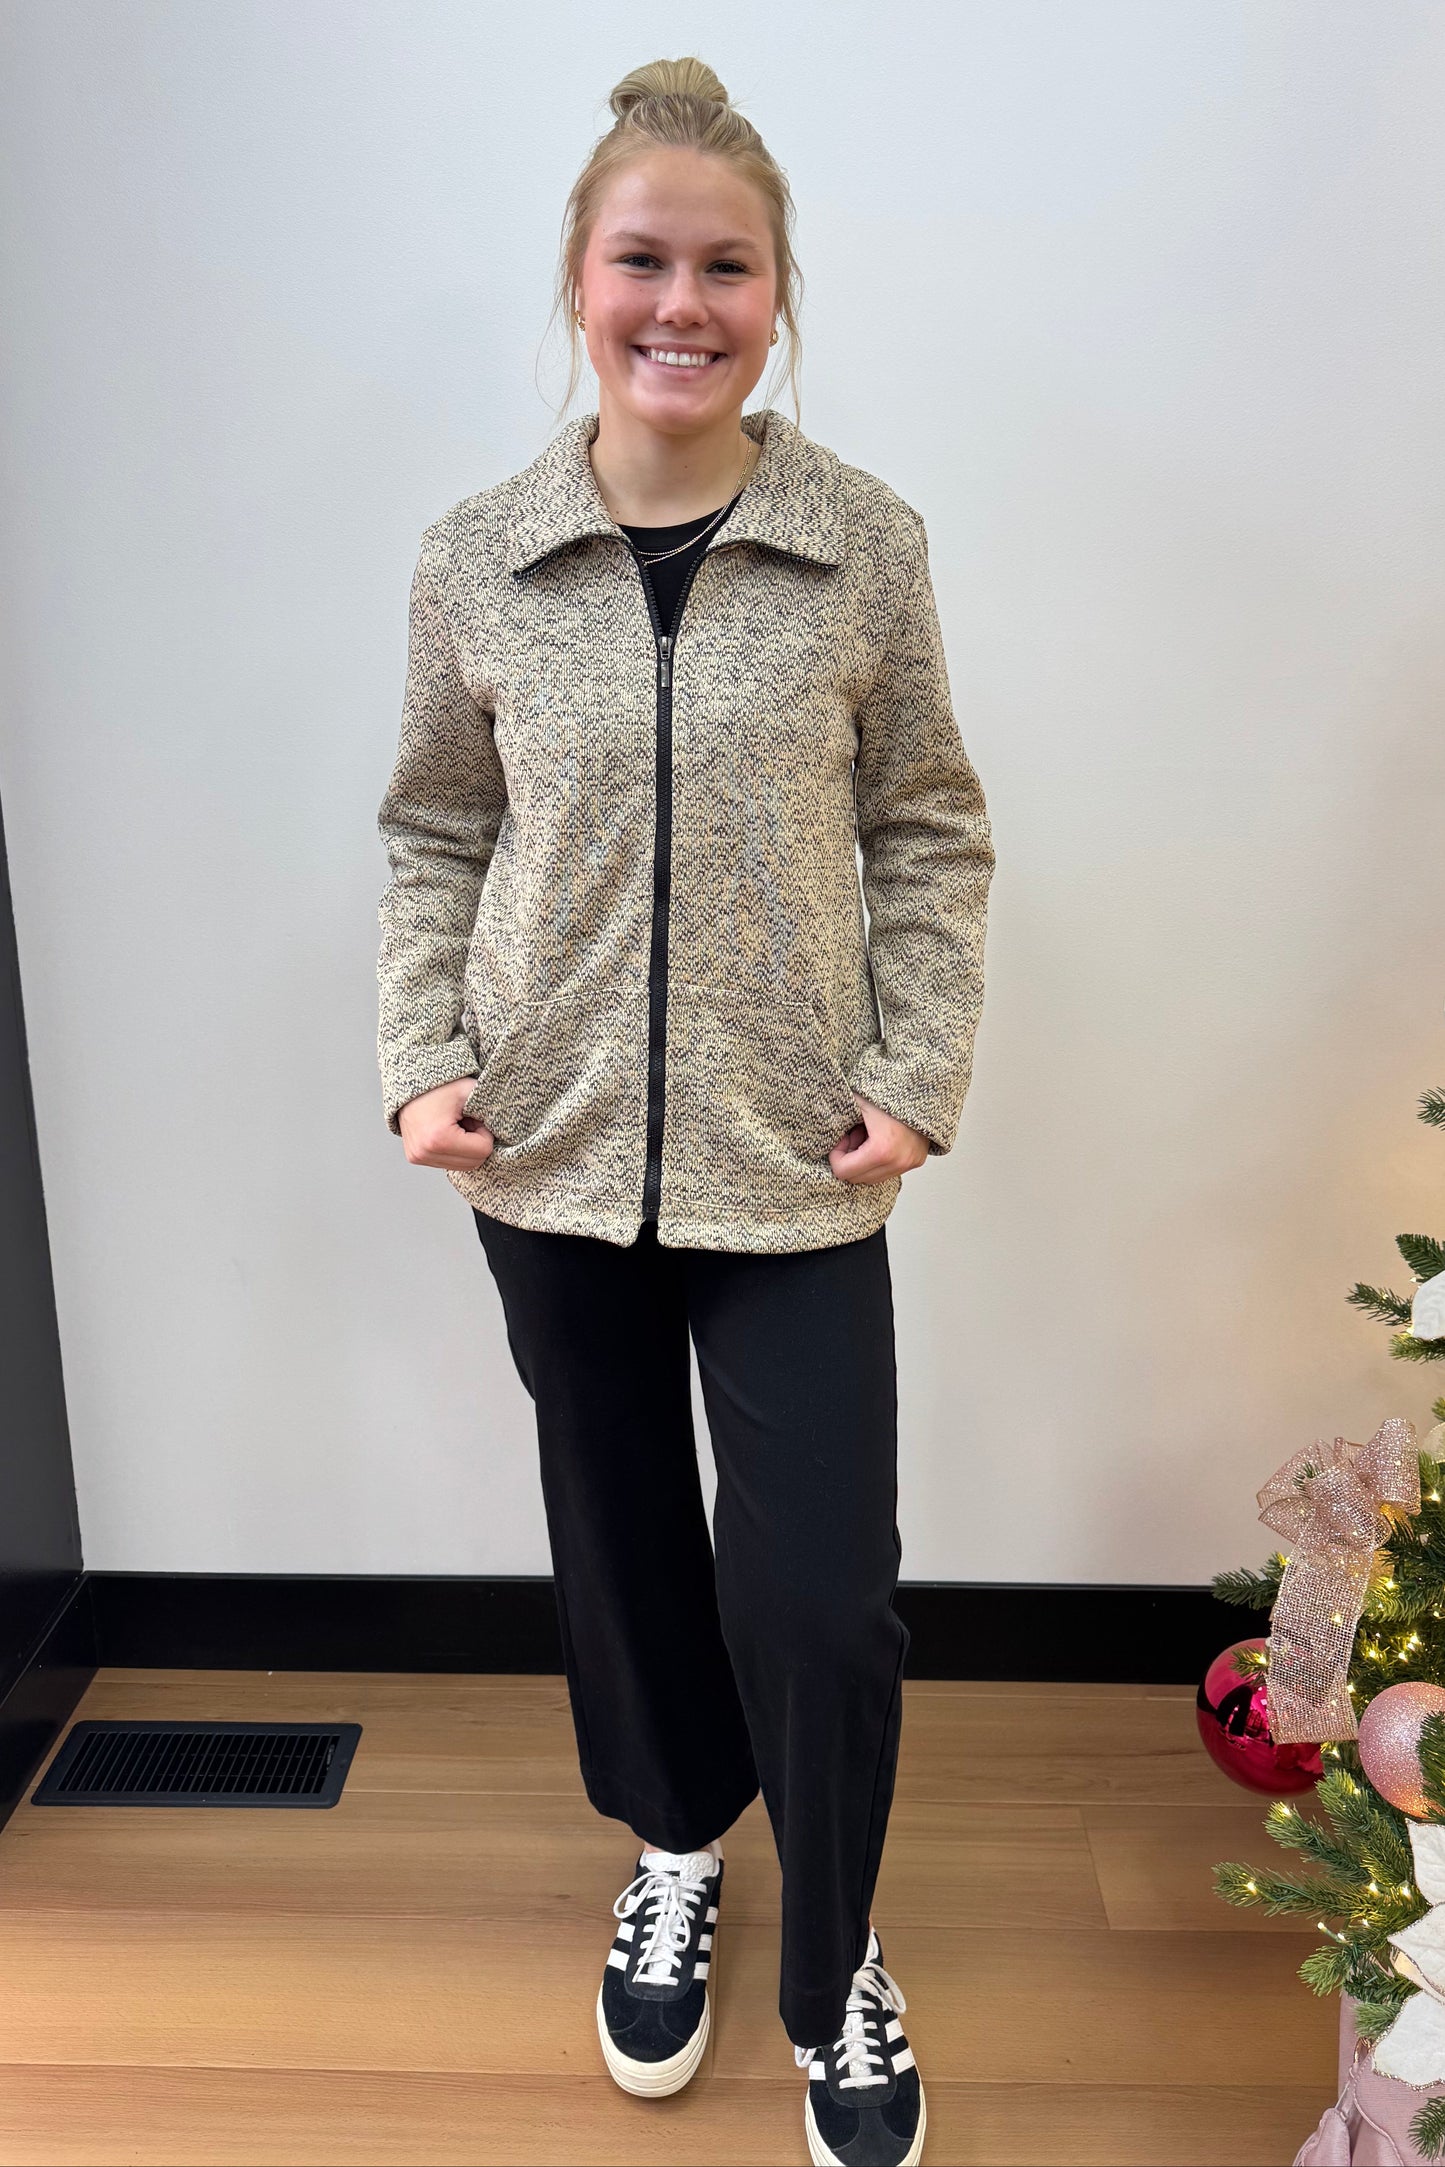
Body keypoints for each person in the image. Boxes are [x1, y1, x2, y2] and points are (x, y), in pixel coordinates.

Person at [375, 54, 994, 2167]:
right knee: (627, 1546)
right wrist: (418, 1058)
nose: (682, 300)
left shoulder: (863, 548)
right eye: (644, 258)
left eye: (726, 265)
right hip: (542, 1153)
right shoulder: (482, 557)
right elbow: (429, 834)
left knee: (820, 1586)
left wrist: (914, 1076)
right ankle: (675, 1844)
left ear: (775, 295)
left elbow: (927, 830)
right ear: (580, 281)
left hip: (792, 1159)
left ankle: (838, 1965)